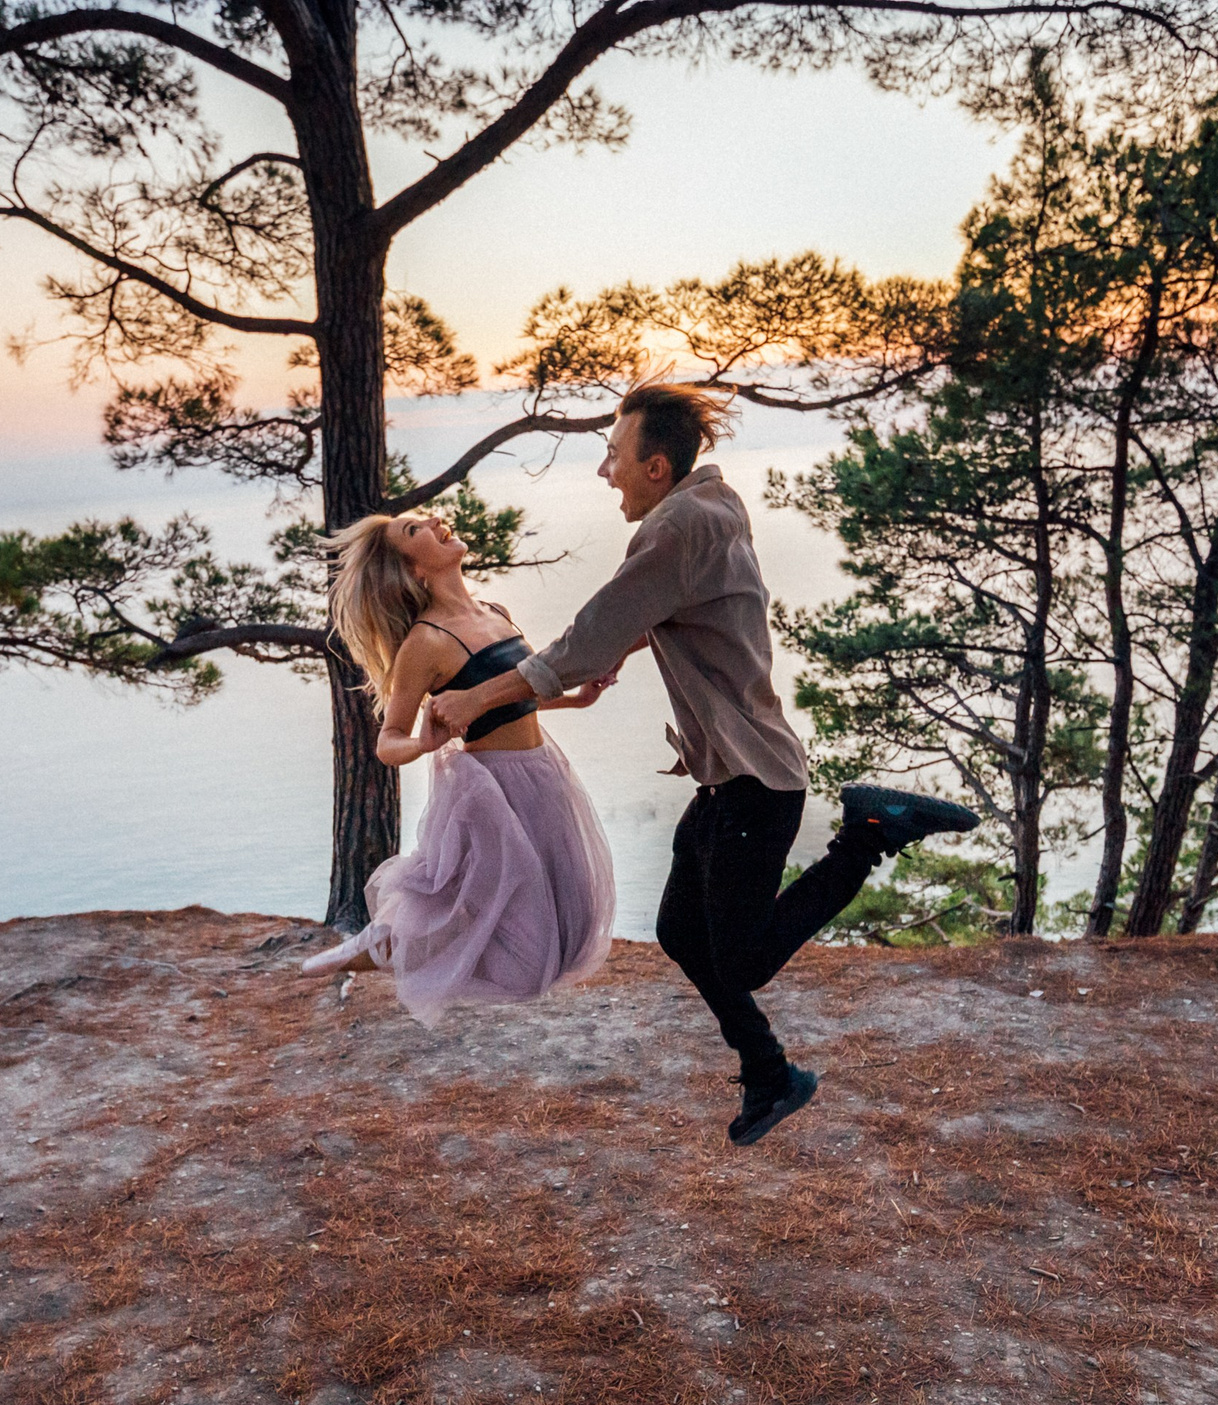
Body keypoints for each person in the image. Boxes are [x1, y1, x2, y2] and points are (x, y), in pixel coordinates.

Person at [425, 382, 979, 1146]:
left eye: (613, 456)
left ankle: (870, 833)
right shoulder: (709, 507)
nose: (603, 472)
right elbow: (673, 610)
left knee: (743, 958)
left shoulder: (678, 525)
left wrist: (471, 701)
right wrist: (635, 637)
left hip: (756, 782)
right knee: (684, 932)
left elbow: (589, 634)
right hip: (730, 778)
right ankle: (770, 1073)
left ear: (656, 466)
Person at [298, 508, 620, 1027]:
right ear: (412, 569)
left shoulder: (495, 611)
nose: (434, 521)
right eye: (414, 529)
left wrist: (578, 700)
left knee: (570, 923)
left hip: (542, 775)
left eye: (425, 517)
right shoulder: (424, 643)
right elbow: (388, 742)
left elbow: (515, 696)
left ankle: (385, 939)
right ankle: (377, 946)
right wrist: (425, 742)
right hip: (491, 789)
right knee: (522, 953)